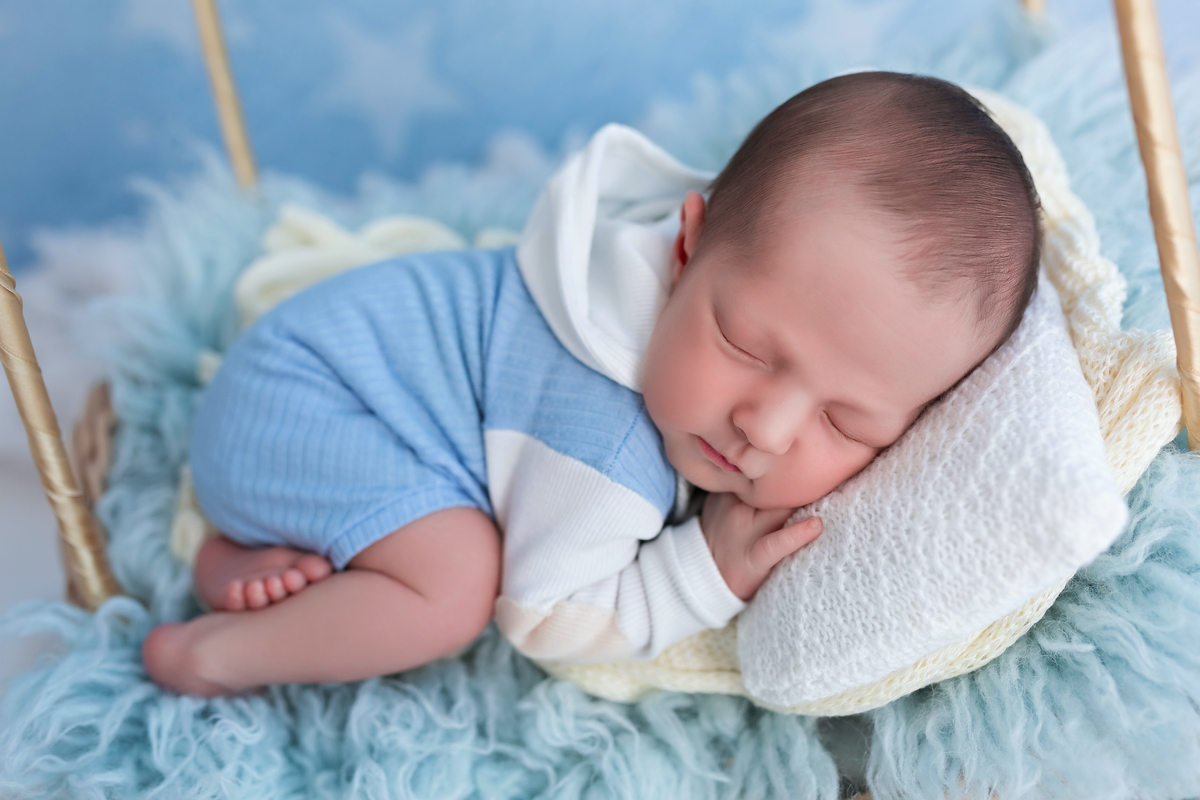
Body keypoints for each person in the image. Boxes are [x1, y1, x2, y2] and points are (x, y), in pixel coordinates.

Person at [142, 71, 1043, 697]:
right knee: (453, 583)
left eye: (848, 424)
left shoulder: (663, 289)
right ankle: (209, 653)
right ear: (685, 247)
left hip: (312, 397)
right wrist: (703, 572)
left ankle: (244, 551)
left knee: (432, 529)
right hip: (303, 401)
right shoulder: (604, 441)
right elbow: (551, 619)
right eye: (745, 344)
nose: (764, 427)